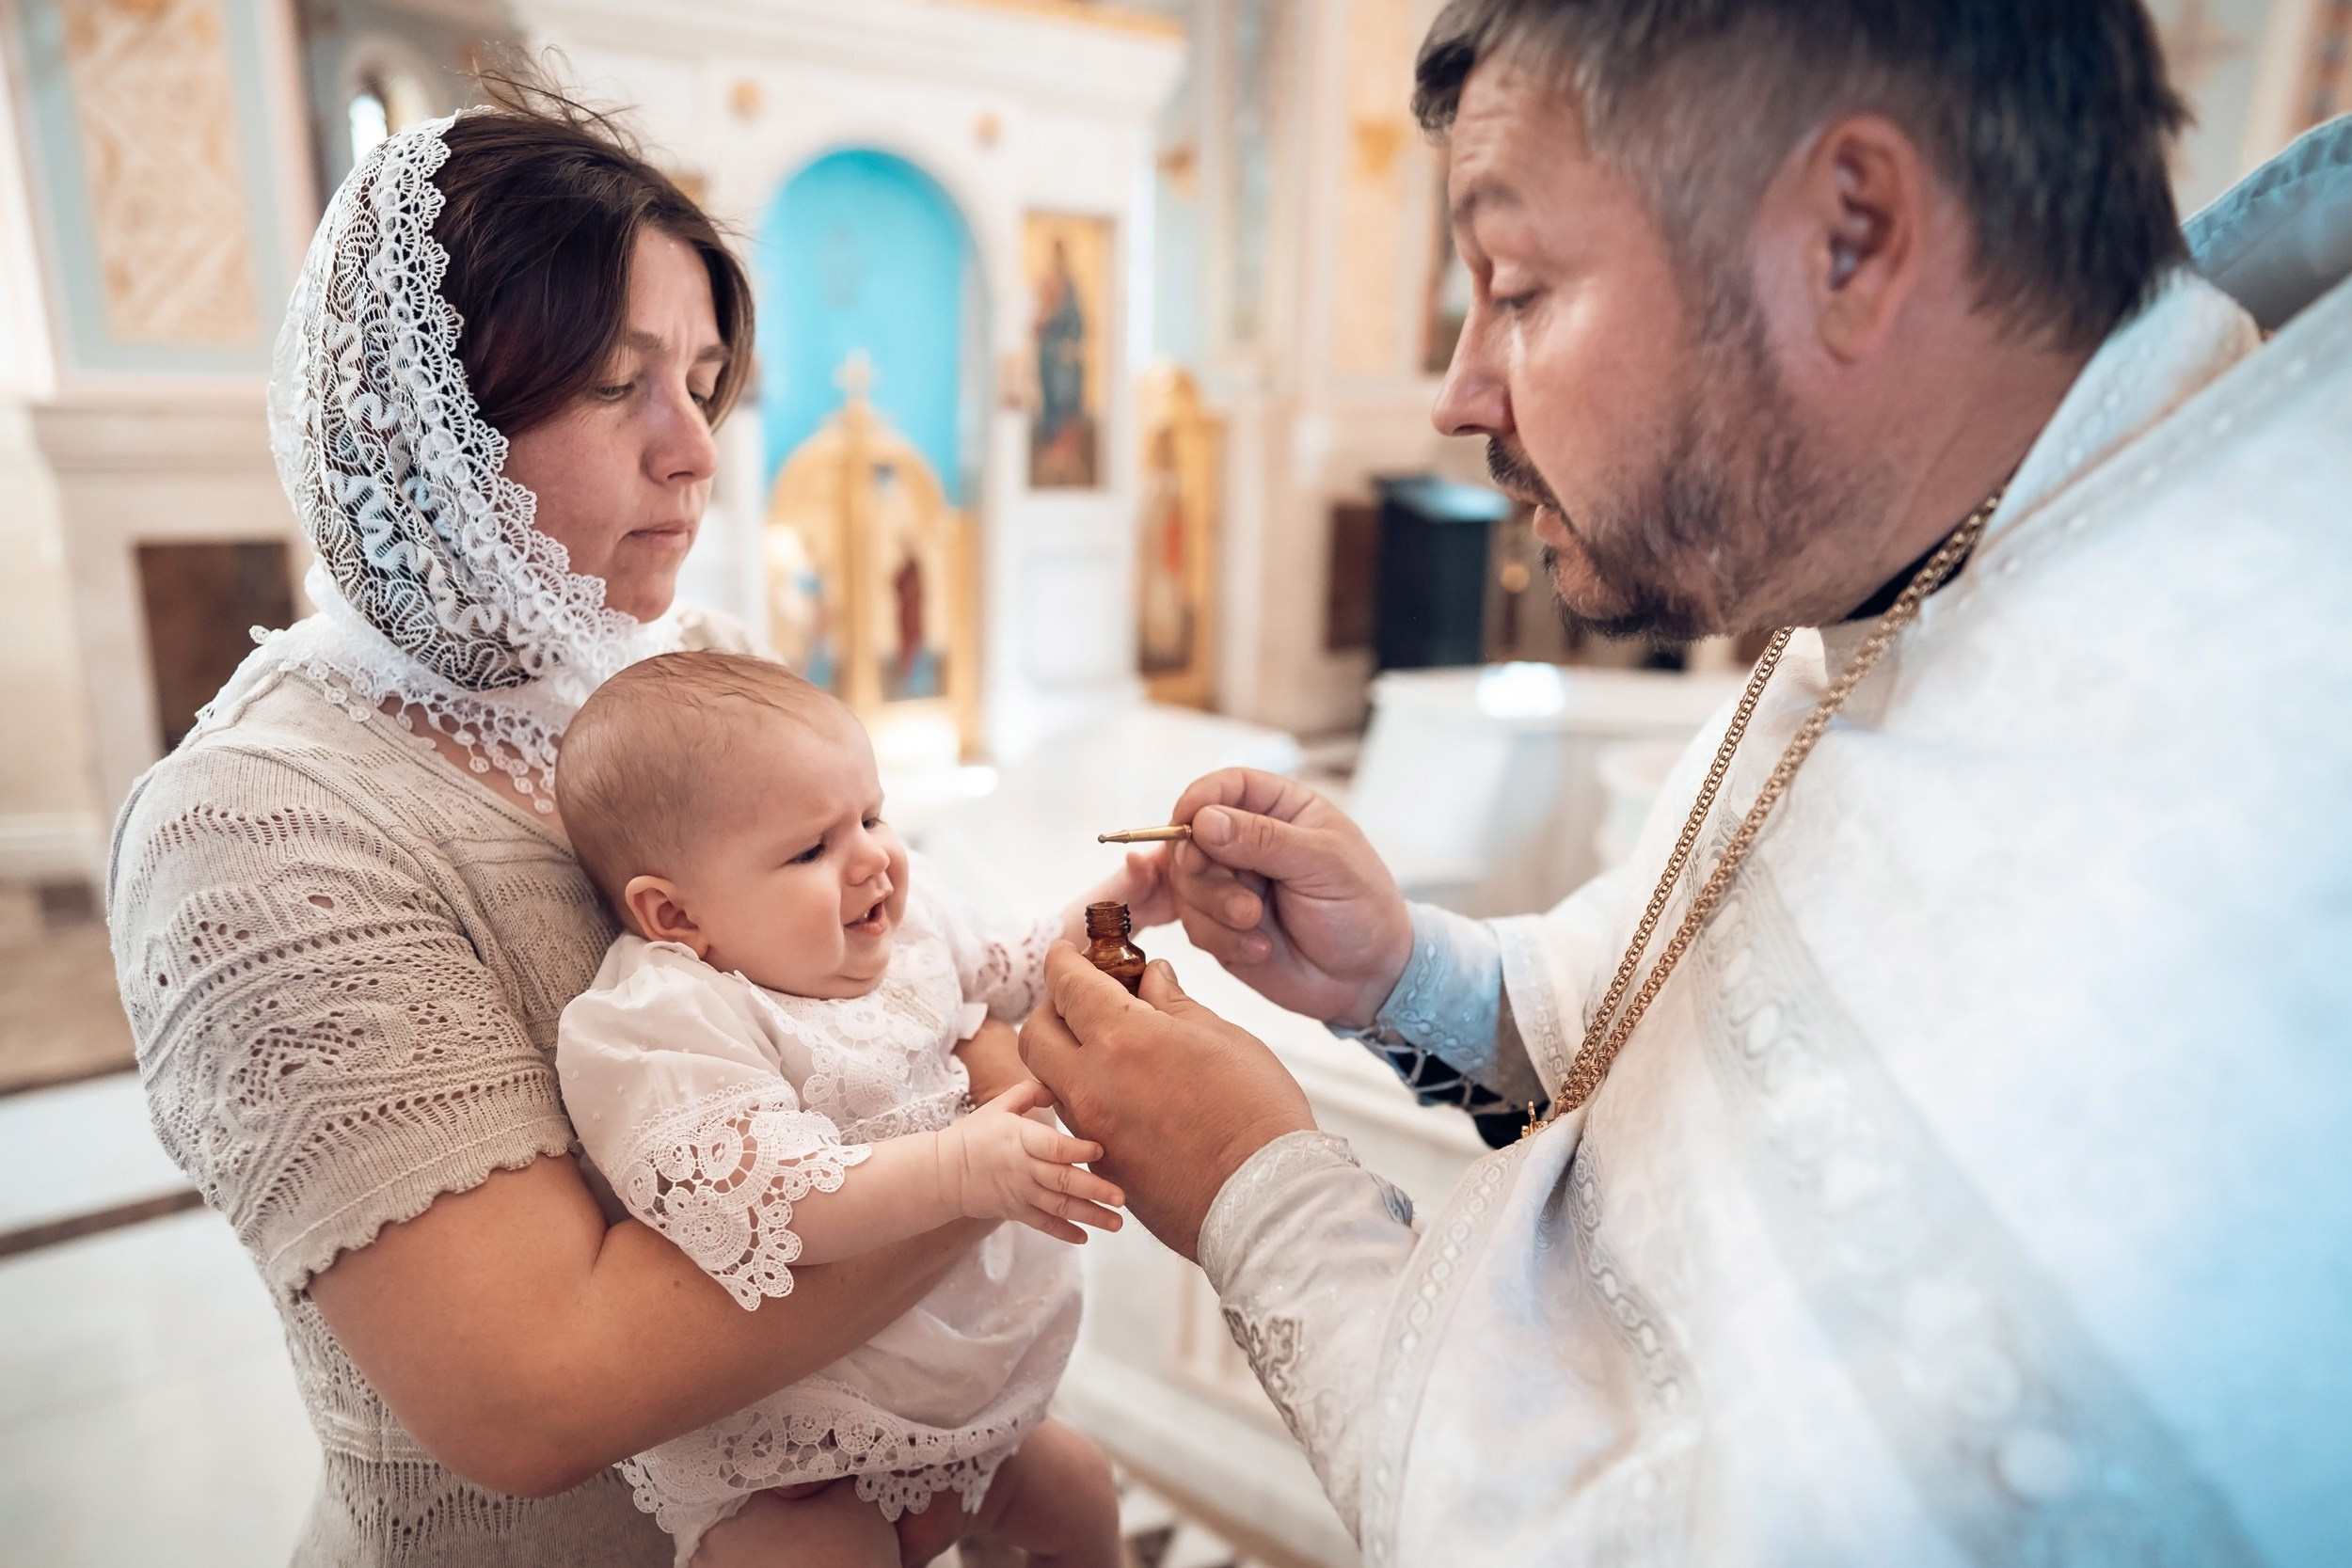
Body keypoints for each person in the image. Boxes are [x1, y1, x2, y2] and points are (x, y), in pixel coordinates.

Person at [1018, 2, 2352, 1563]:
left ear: (1850, 237)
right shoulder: (1946, 560)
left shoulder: (2236, 848)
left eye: (1516, 286)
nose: (1458, 395)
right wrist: (1404, 973)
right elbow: (1673, 1031)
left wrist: (1254, 1190)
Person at [105, 94, 1018, 1565]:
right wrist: (1009, 1145)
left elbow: (908, 959)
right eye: (615, 383)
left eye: (705, 381)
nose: (696, 451)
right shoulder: (260, 826)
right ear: (424, 417)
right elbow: (539, 1386)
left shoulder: (686, 665)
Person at [549, 651, 1161, 1566]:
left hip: (968, 1398)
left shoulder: (907, 929)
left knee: (1081, 1496)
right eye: (811, 848)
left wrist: (1120, 904)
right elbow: (768, 1199)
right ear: (676, 916)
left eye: (871, 815)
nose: (872, 855)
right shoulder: (669, 1015)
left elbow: (1008, 968)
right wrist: (961, 1167)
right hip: (803, 1446)